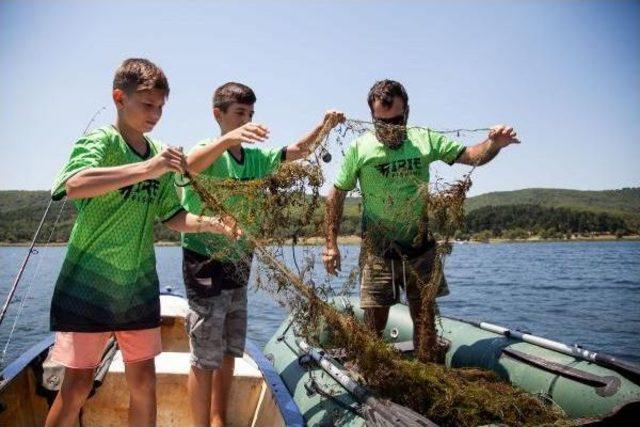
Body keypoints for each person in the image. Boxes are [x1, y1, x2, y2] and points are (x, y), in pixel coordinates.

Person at [45, 58, 240, 427]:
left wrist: (212, 224)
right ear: (119, 98)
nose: (156, 114)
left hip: (138, 287)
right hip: (89, 285)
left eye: (162, 107)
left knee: (145, 382)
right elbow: (73, 184)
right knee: (76, 387)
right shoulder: (101, 141)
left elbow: (172, 215)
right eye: (148, 105)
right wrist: (148, 168)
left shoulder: (159, 152)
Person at [181, 81, 344, 427]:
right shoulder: (208, 151)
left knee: (228, 350)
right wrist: (227, 140)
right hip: (204, 261)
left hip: (240, 261)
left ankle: (217, 418)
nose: (247, 120)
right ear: (218, 114)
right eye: (240, 113)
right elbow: (188, 167)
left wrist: (324, 125)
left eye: (251, 114)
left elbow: (298, 150)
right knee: (204, 354)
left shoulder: (255, 159)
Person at [322, 79, 518, 349]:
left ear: (407, 113)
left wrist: (494, 144)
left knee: (424, 316)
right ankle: (368, 373)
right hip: (378, 250)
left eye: (396, 121)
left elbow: (472, 156)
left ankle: (429, 366)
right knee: (374, 319)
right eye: (382, 123)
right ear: (372, 117)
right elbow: (336, 194)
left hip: (420, 248)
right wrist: (331, 244)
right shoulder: (360, 148)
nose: (390, 129)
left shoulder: (423, 138)